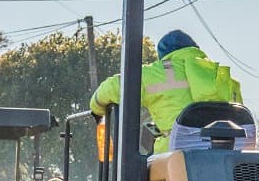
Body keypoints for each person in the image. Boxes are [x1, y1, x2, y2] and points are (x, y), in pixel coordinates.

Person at [90, 29, 244, 154]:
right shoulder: (222, 76)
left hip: (175, 160)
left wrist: (97, 109)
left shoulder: (157, 73)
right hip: (228, 159)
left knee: (140, 168)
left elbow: (112, 87)